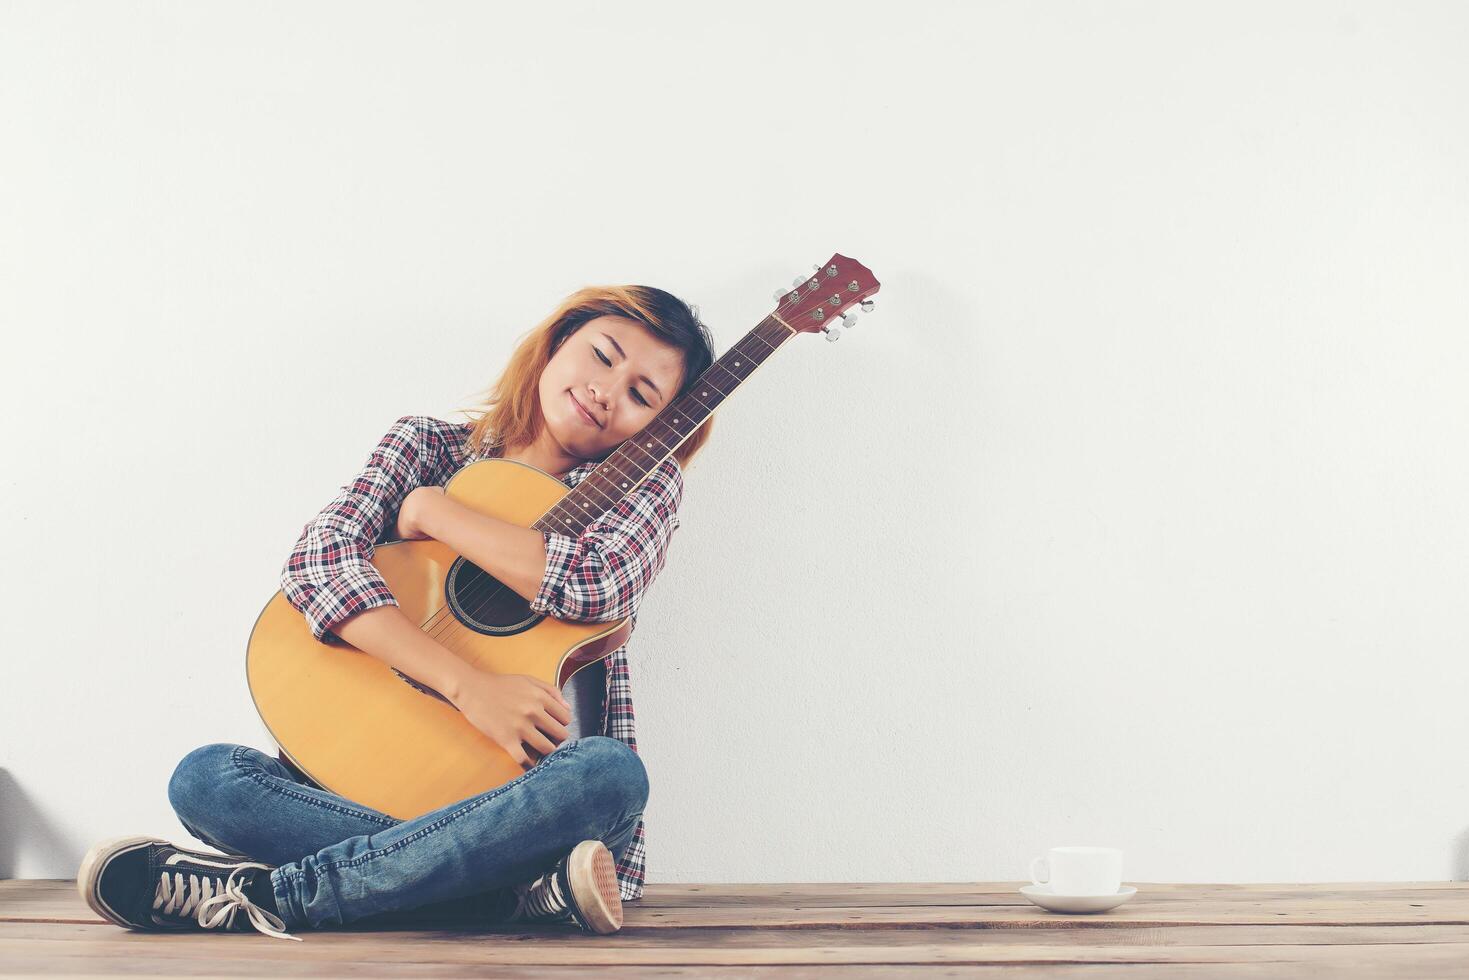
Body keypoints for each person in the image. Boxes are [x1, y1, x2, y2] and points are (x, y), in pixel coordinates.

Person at [77, 286, 717, 941]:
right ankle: (504, 897)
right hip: (345, 778)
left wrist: (435, 513)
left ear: (659, 430)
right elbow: (318, 563)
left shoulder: (642, 491)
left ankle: (273, 895)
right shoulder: (426, 447)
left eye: (642, 395)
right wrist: (469, 688)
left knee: (607, 776)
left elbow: (598, 583)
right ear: (555, 343)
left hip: (503, 797)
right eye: (602, 356)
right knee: (206, 778)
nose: (608, 390)